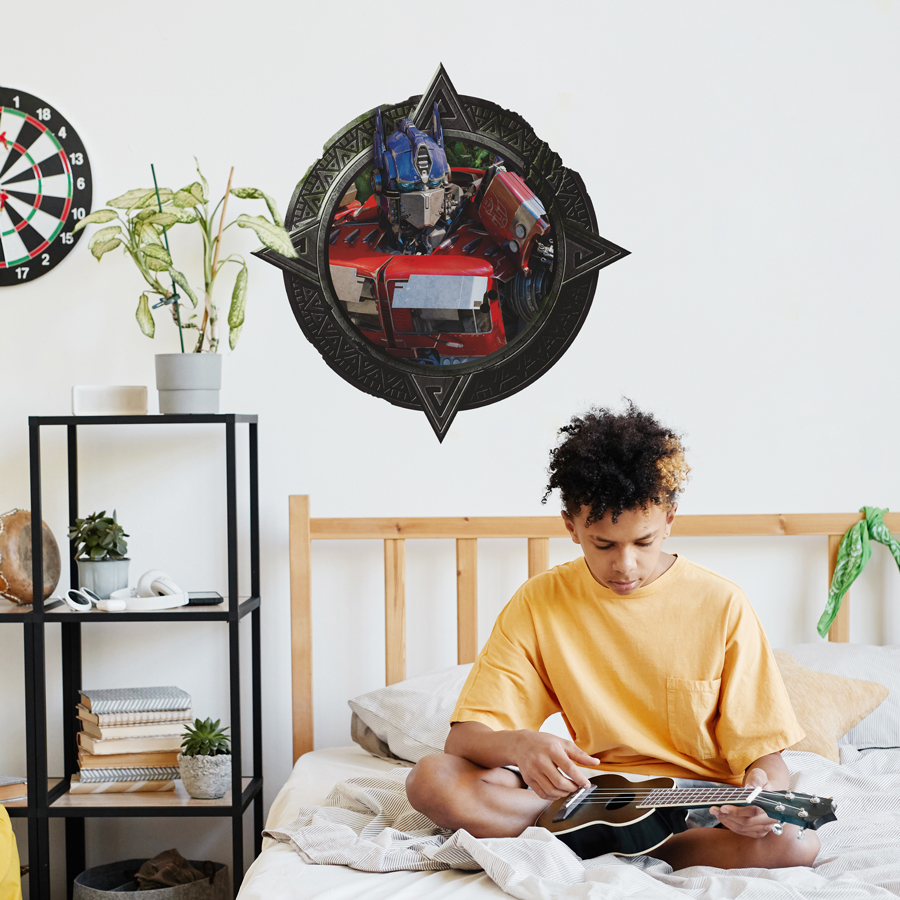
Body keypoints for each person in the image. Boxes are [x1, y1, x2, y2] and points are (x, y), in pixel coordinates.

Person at [406, 402, 819, 870]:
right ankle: (607, 837)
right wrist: (521, 744)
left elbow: (767, 756)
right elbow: (464, 741)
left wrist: (761, 796)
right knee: (430, 779)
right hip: (591, 799)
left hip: (697, 808)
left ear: (670, 520)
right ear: (571, 527)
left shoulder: (722, 604)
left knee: (796, 844)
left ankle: (613, 846)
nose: (625, 565)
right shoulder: (541, 601)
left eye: (643, 542)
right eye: (603, 544)